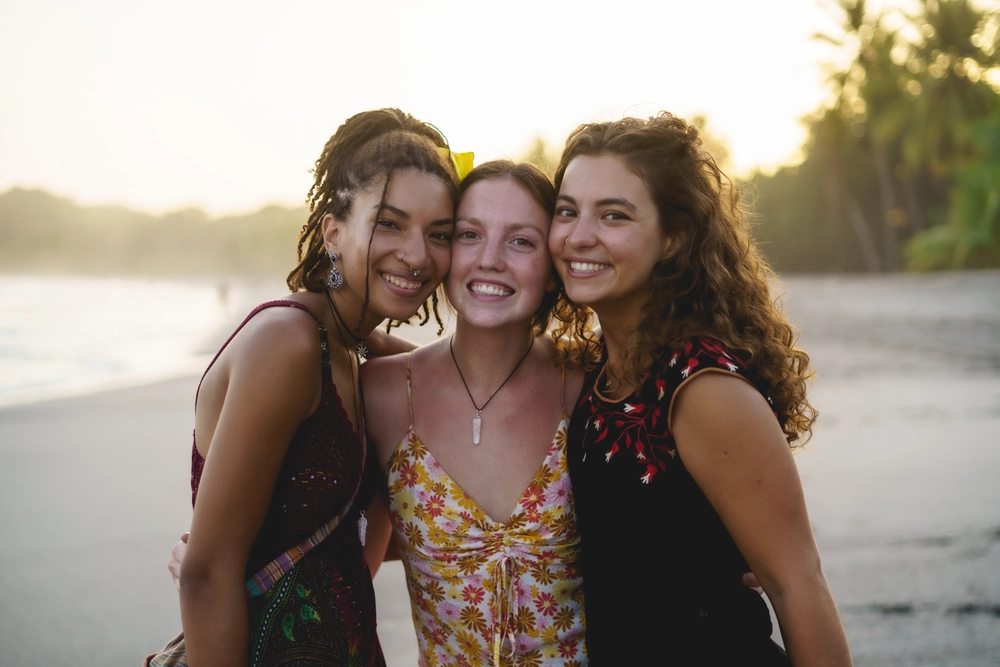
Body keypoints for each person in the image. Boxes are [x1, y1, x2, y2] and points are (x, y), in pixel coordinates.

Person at [547, 113, 853, 665]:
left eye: (613, 215)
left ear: (673, 239)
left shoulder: (702, 388)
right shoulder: (598, 373)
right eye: (566, 211)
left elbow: (796, 584)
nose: (578, 235)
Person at [176, 108, 460, 667]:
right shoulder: (289, 344)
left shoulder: (369, 357)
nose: (418, 253)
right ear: (333, 232)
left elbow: (358, 542)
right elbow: (207, 575)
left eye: (440, 234)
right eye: (390, 223)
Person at [361, 160, 588, 667]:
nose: (490, 259)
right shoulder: (383, 393)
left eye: (521, 241)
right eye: (469, 235)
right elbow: (353, 556)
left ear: (553, 267)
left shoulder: (590, 381)